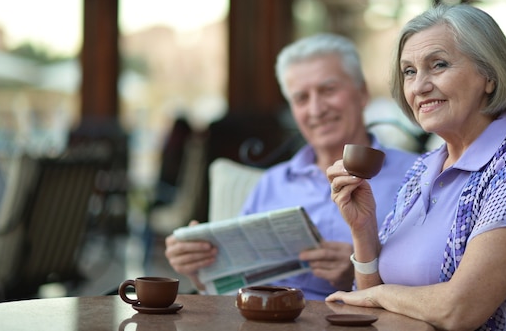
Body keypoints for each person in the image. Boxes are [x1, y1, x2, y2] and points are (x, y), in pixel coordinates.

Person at [326, 4, 506, 330]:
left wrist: (381, 295)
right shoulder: (424, 169)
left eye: (438, 65)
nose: (419, 87)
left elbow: (459, 310)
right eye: (409, 72)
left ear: (489, 75)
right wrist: (364, 231)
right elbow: (370, 307)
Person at [165, 33, 418, 300]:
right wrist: (199, 269)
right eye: (301, 98)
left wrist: (362, 270)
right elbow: (233, 287)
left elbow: (432, 276)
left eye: (328, 90)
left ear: (362, 93)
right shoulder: (272, 183)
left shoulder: (417, 175)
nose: (316, 109)